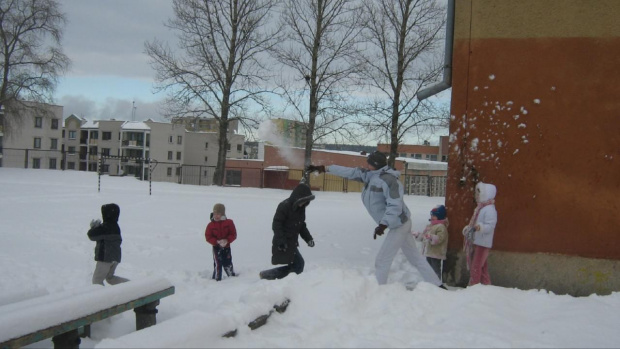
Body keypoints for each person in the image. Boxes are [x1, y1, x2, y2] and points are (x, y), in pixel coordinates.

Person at [307, 151, 445, 289]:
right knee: (415, 257)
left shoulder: (390, 181)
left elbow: (395, 204)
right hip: (398, 223)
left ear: (376, 164)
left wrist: (384, 223)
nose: (366, 164)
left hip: (399, 225)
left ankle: (378, 290)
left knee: (382, 259)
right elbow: (350, 172)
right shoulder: (370, 175)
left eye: (369, 162)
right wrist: (325, 169)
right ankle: (437, 284)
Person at [259, 183, 316, 280]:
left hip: (292, 241)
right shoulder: (284, 206)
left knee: (297, 265)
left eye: (306, 201)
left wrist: (308, 239)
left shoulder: (300, 209)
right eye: (303, 201)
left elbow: (301, 225)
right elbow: (276, 225)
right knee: (299, 264)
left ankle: (270, 276)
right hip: (284, 242)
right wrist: (281, 241)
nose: (304, 204)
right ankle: (272, 276)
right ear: (298, 198)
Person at [462, 182, 497, 286]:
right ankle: (486, 286)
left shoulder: (490, 209)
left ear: (487, 194)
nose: (476, 196)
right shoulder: (480, 208)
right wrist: (469, 229)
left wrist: (480, 227)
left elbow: (490, 226)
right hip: (478, 241)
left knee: (476, 266)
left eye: (479, 193)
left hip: (483, 243)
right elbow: (474, 223)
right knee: (482, 266)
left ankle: (474, 287)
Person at [87, 203, 129, 285]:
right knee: (110, 278)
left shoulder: (106, 227)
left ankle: (101, 297)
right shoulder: (115, 226)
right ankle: (130, 285)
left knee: (97, 280)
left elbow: (92, 235)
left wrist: (94, 228)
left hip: (105, 258)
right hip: (115, 258)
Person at [412, 205, 449, 281]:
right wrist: (418, 235)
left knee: (435, 269)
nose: (432, 217)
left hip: (436, 253)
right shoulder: (430, 226)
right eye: (431, 215)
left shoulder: (441, 227)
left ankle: (437, 283)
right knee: (429, 269)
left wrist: (431, 237)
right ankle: (429, 282)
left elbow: (440, 238)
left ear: (439, 216)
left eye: (434, 215)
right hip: (429, 252)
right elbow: (424, 237)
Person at [205, 203, 237, 281]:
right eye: (215, 213)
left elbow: (233, 234)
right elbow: (208, 236)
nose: (216, 216)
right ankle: (217, 278)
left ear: (223, 214)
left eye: (218, 214)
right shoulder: (211, 225)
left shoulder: (229, 223)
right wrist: (216, 242)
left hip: (226, 246)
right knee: (218, 263)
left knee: (227, 262)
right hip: (216, 247)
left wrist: (227, 240)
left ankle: (231, 277)